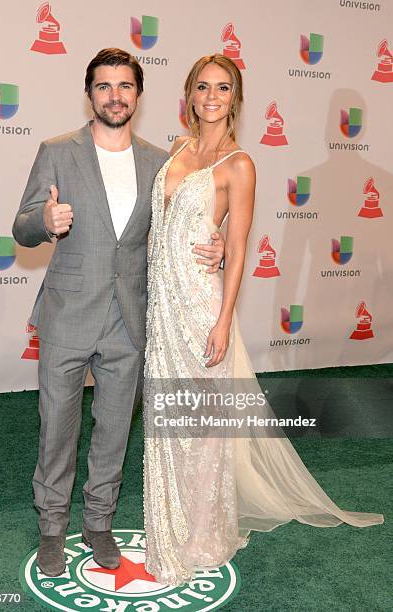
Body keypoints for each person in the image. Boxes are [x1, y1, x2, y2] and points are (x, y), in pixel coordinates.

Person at [143, 54, 384, 586]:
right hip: (162, 306)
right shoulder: (179, 148)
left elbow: (238, 244)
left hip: (201, 307)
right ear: (189, 93)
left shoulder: (239, 164)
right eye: (202, 86)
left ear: (236, 98)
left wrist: (224, 320)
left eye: (223, 88)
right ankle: (171, 520)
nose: (211, 96)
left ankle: (202, 535)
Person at [12, 48, 224, 577]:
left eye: (125, 86)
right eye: (104, 86)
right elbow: (20, 227)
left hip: (131, 317)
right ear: (90, 93)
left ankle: (99, 523)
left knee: (112, 431)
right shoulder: (57, 151)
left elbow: (181, 229)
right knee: (56, 427)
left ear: (138, 95)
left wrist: (215, 244)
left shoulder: (161, 162)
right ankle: (52, 526)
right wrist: (45, 217)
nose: (114, 95)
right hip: (67, 314)